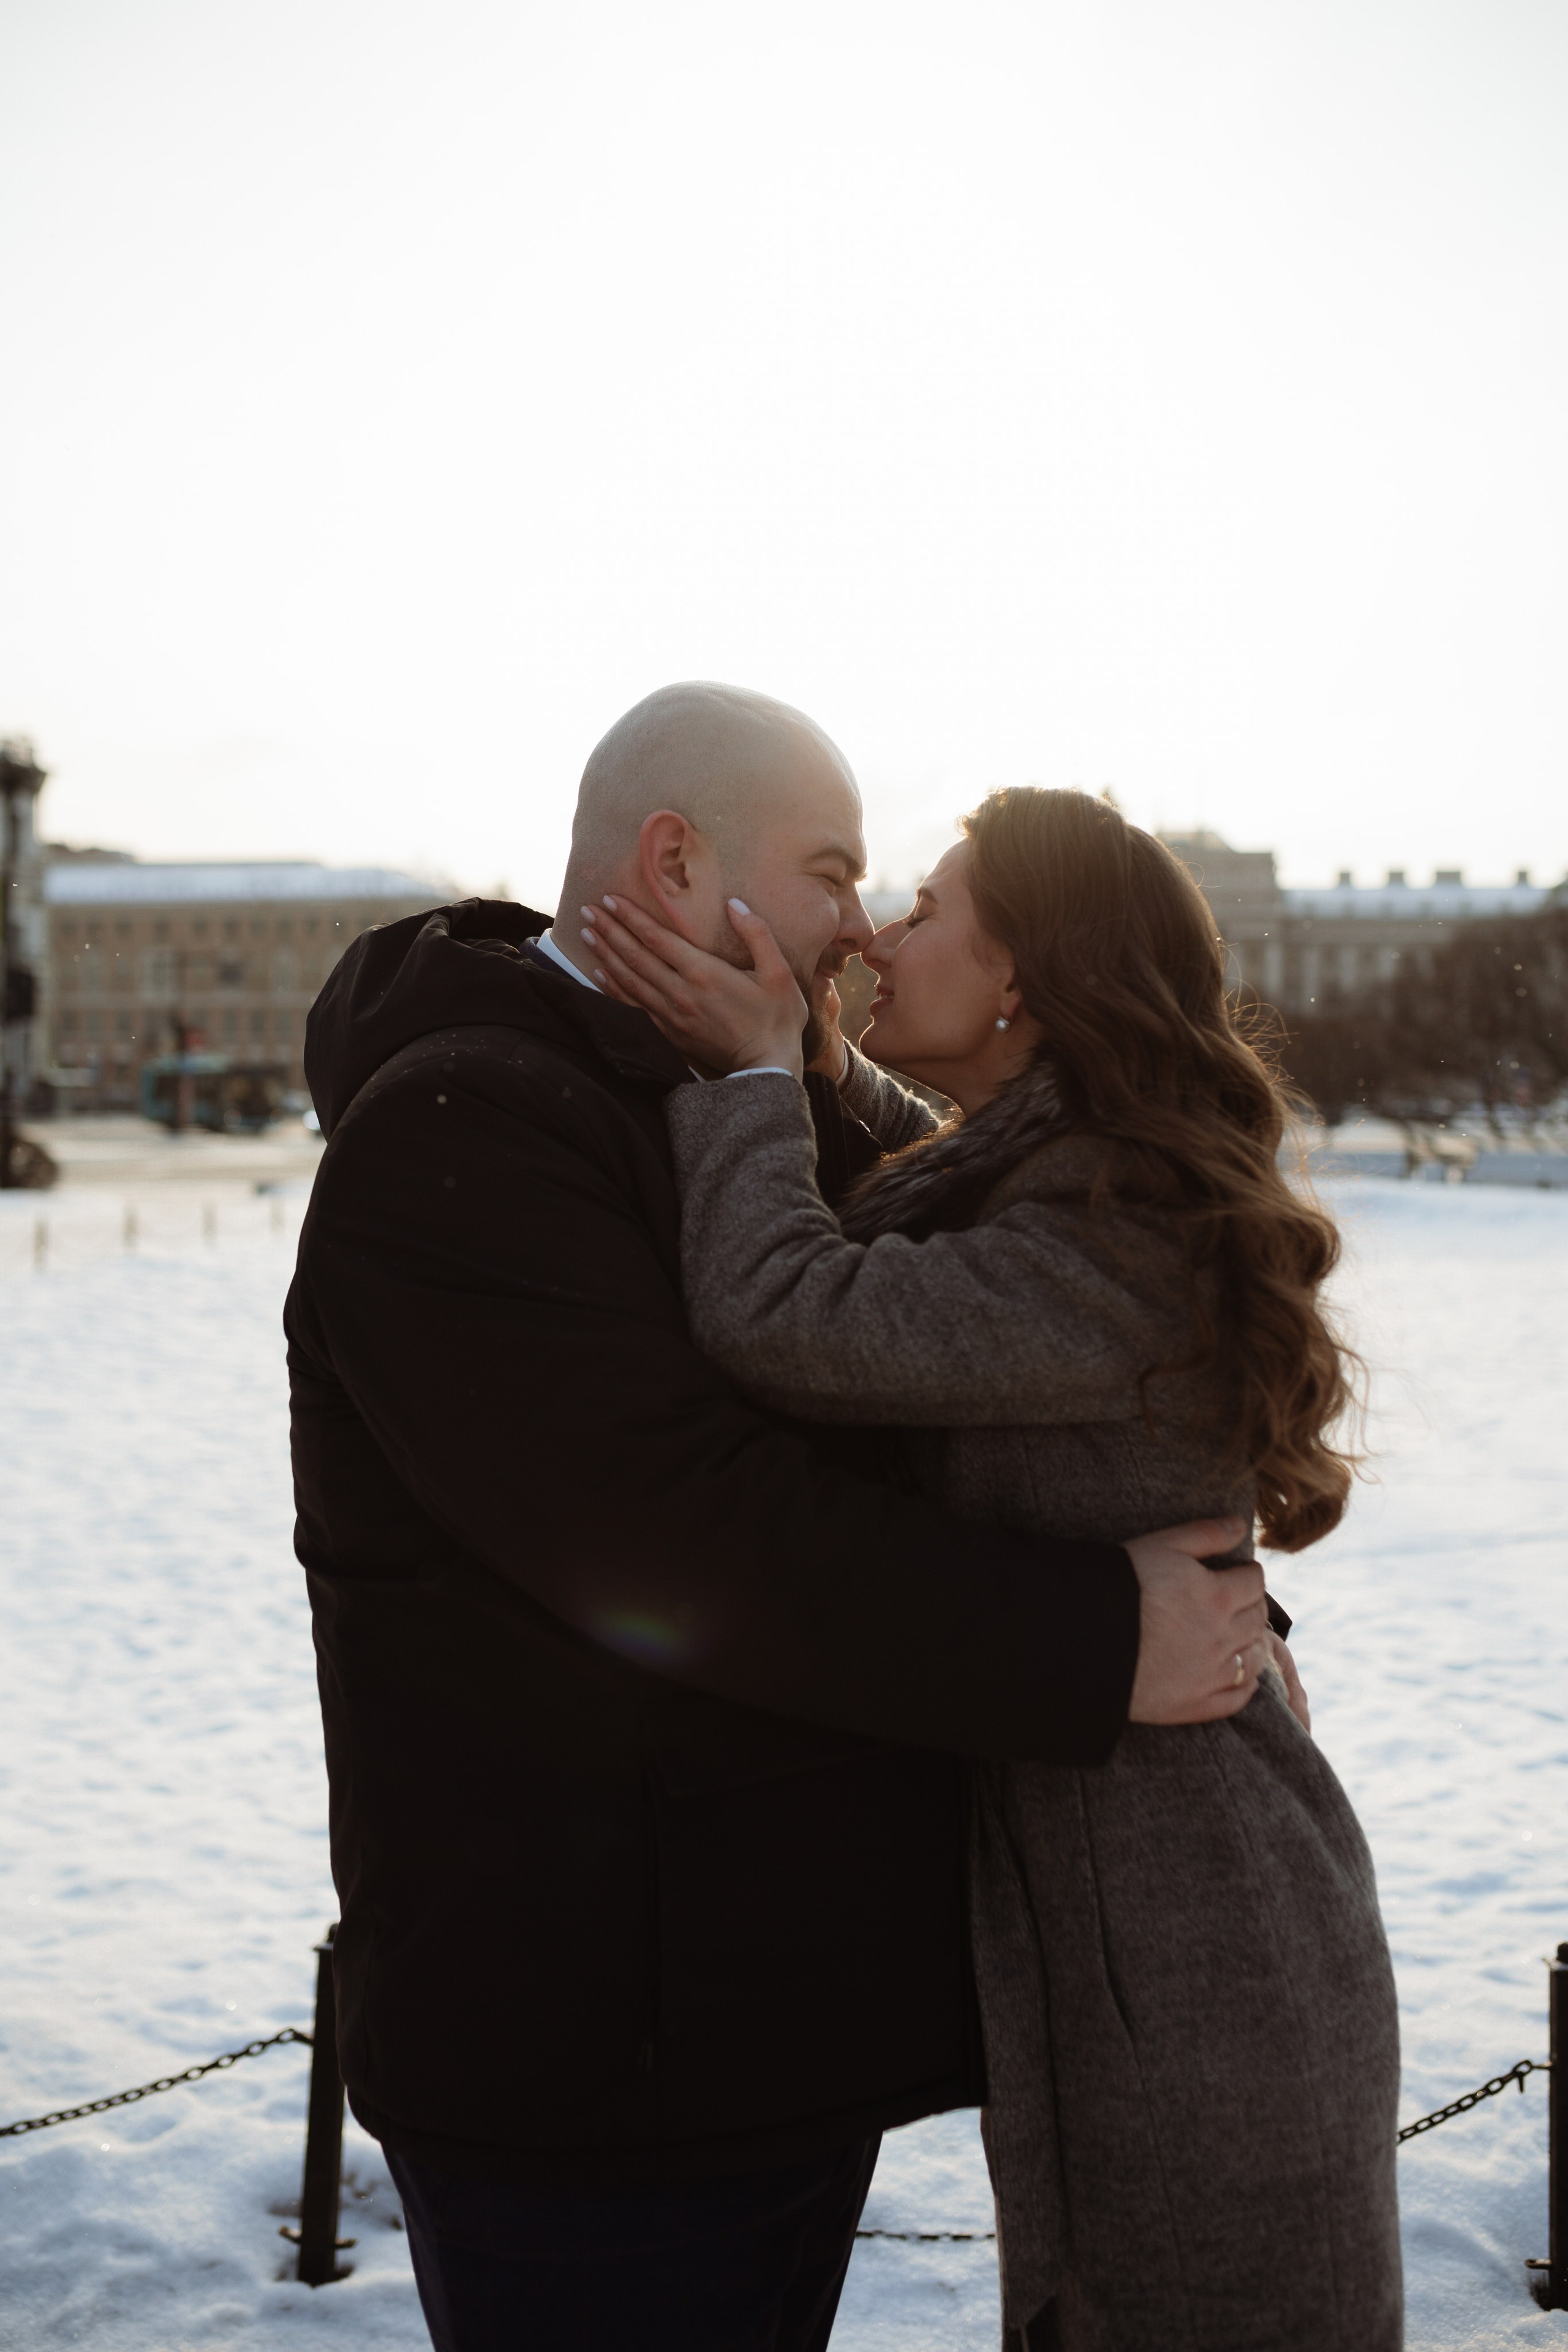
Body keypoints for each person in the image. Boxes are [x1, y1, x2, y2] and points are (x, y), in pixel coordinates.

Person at [287, 685, 1280, 2352]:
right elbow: (682, 1541)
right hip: (589, 2072)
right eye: (831, 873)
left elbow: (991, 1389)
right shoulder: (461, 1129)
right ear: (677, 862)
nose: (860, 927)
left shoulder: (725, 1088)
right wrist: (1103, 1637)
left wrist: (1219, 1604)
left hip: (753, 2032)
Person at [582, 781, 1402, 2352]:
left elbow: (787, 1314)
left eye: (925, 909)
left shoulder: (1112, 1229)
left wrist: (754, 1076)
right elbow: (944, 1180)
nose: (878, 936)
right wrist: (830, 1069)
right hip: (1135, 1889)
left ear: (1021, 972)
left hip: (1198, 1926)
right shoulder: (1077, 1178)